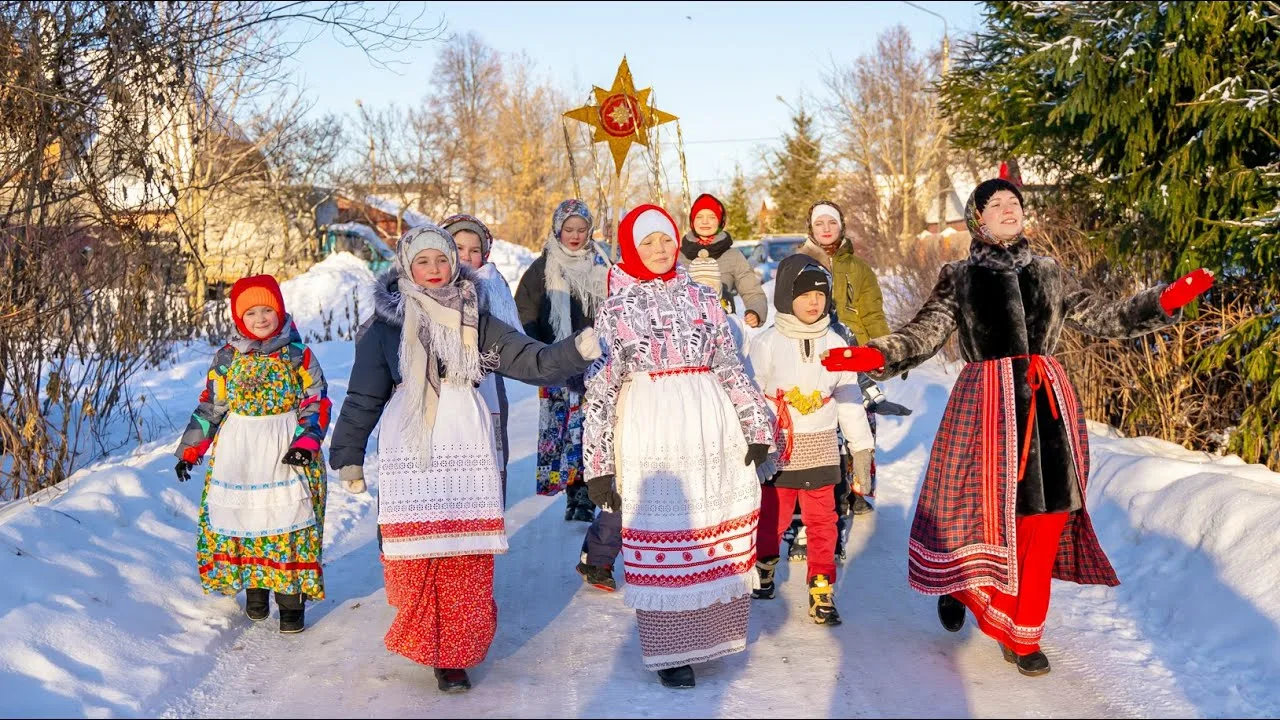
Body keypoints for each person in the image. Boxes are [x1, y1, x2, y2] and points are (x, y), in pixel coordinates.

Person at [823, 178, 1215, 676]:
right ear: (977, 219)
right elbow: (925, 332)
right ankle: (961, 586)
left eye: (1015, 203)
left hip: (1048, 408)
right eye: (996, 204)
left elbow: (1105, 318)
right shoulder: (959, 275)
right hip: (986, 408)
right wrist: (876, 353)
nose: (1009, 209)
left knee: (1046, 518)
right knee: (983, 516)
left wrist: (1165, 301)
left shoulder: (1051, 271)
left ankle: (1024, 634)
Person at [329, 224, 601, 693]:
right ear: (406, 267)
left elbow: (528, 359)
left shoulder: (476, 318)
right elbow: (362, 396)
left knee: (465, 554)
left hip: (465, 442)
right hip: (410, 445)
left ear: (455, 264)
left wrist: (574, 351)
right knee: (417, 557)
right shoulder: (384, 327)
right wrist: (348, 454)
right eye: (423, 262)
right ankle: (425, 637)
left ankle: (453, 655)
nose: (434, 270)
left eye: (442, 260)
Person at [582, 203, 772, 689]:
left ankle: (710, 634)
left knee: (708, 534)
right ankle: (670, 652)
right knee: (666, 534)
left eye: (666, 239)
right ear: (631, 248)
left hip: (710, 427)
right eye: (647, 243)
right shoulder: (616, 308)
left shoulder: (705, 299)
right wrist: (599, 466)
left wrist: (756, 427)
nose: (661, 250)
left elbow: (731, 366)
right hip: (652, 431)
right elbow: (600, 390)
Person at [174, 274, 330, 634]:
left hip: (285, 445)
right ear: (238, 319)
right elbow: (212, 404)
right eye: (251, 313)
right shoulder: (227, 357)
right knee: (246, 523)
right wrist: (190, 450)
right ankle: (256, 592)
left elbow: (316, 402)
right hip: (239, 449)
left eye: (267, 310)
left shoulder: (298, 355)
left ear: (280, 311)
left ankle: (290, 602)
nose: (260, 318)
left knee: (289, 524)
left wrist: (306, 443)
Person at [747, 255, 874, 626]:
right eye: (804, 294)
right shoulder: (768, 342)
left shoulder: (835, 342)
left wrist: (860, 448)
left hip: (820, 444)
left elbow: (849, 398)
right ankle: (765, 565)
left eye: (820, 294)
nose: (813, 301)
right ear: (787, 296)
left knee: (824, 521)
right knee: (774, 518)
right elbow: (751, 393)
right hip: (779, 446)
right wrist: (753, 440)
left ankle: (821, 587)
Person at [515, 199, 611, 521]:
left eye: (581, 229)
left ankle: (594, 489)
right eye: (568, 229)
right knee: (567, 431)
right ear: (557, 230)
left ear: (589, 231)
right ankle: (574, 493)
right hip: (557, 363)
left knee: (594, 428)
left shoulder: (602, 264)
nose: (575, 235)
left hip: (598, 363)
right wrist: (534, 352)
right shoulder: (542, 269)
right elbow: (525, 314)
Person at [441, 213, 521, 506]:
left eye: (474, 251)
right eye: (459, 248)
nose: (466, 257)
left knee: (488, 445)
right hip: (443, 389)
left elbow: (512, 336)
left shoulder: (493, 285)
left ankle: (486, 513)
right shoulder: (430, 286)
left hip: (486, 383)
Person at [677, 192, 768, 328]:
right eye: (699, 216)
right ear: (692, 221)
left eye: (712, 217)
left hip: (723, 328)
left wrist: (756, 311)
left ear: (720, 221)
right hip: (685, 330)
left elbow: (752, 291)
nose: (705, 221)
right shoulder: (678, 255)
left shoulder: (733, 255)